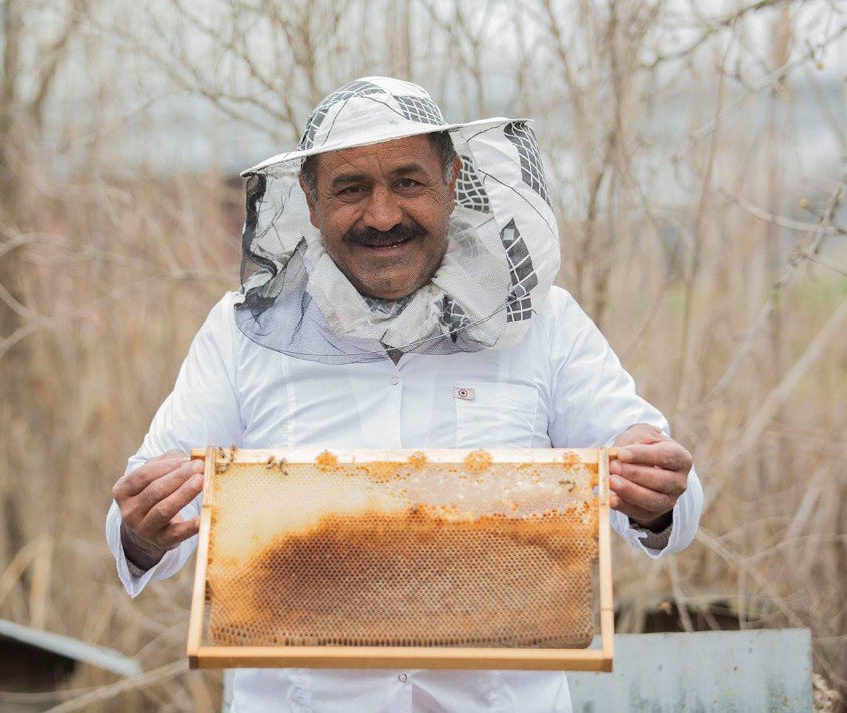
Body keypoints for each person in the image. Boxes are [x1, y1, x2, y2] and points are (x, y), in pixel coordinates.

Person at [106, 77, 703, 712]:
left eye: (408, 181)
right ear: (309, 201)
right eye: (350, 188)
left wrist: (655, 494)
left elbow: (672, 501)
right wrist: (146, 530)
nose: (383, 214)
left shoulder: (544, 325)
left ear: (452, 182)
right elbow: (143, 522)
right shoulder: (239, 335)